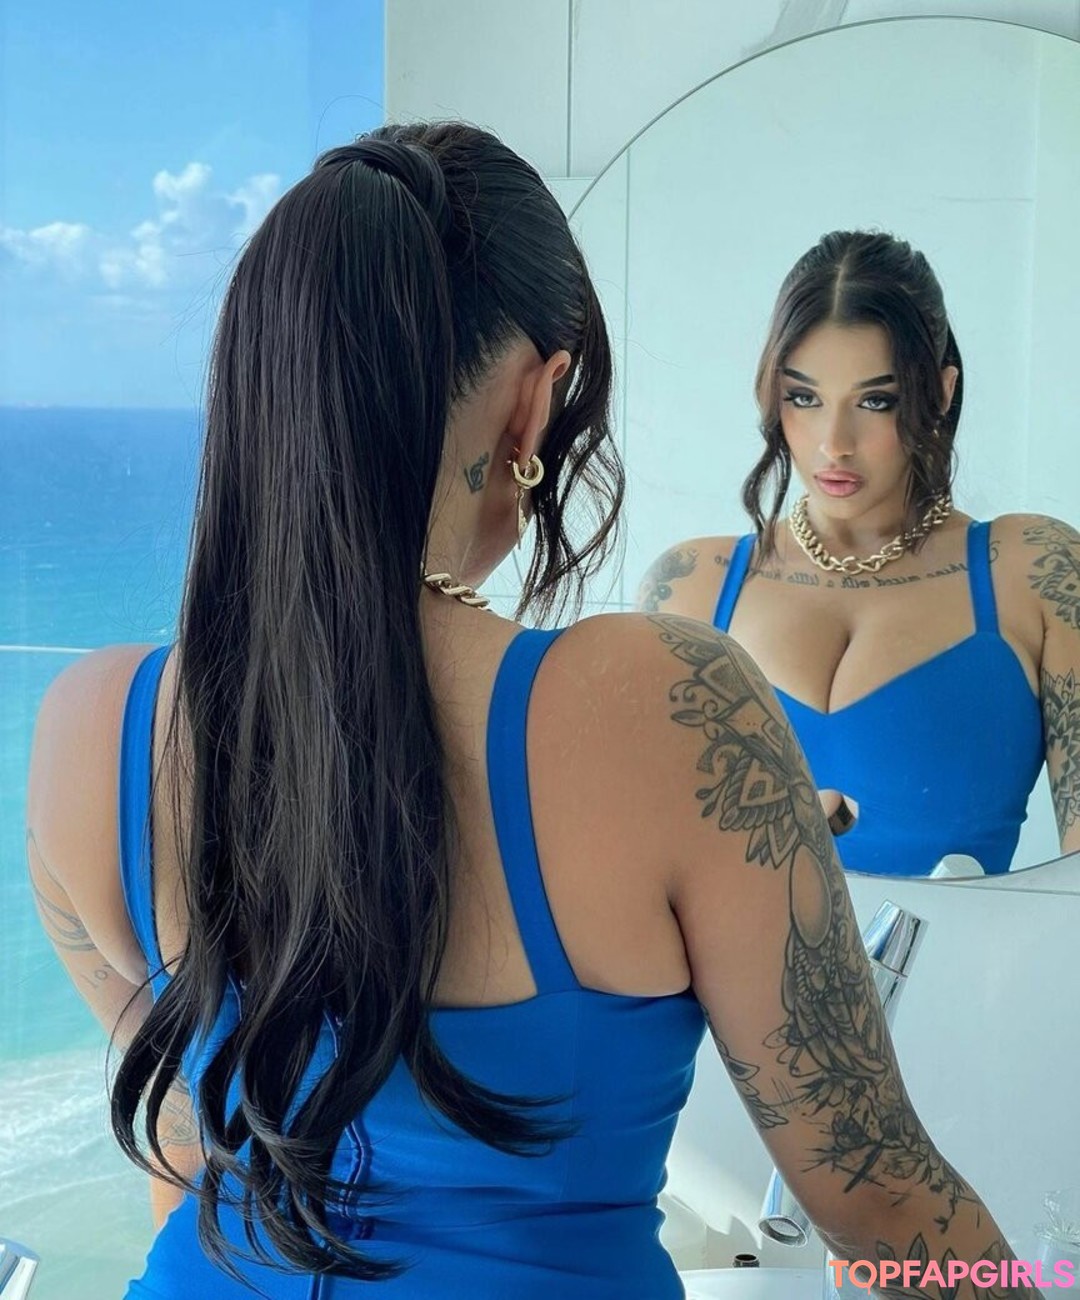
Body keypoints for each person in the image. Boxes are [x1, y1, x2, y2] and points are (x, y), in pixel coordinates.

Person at [26, 134, 1039, 1299]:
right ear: (531, 402)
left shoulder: (90, 728)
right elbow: (888, 1206)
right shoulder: (672, 706)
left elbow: (193, 1152)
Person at [639, 229, 1080, 878]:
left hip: (971, 948)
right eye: (804, 398)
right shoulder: (689, 588)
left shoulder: (1034, 570)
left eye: (876, 401)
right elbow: (645, 867)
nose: (834, 443)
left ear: (942, 391)